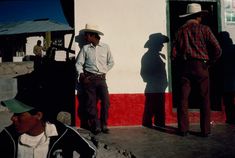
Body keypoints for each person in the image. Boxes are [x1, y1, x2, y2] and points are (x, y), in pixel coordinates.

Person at [0, 80, 96, 158]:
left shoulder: (63, 133)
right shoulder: (7, 136)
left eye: (19, 115)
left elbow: (90, 152)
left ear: (38, 115)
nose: (13, 118)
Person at [171, 3, 222, 137]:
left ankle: (183, 129)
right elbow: (218, 49)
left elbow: (174, 55)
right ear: (198, 16)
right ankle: (205, 130)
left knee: (183, 98)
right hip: (202, 66)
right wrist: (209, 63)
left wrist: (181, 65)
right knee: (204, 98)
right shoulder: (205, 29)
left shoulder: (180, 31)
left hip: (185, 66)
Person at [75, 24, 114, 135]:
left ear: (92, 35)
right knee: (91, 104)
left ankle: (104, 124)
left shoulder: (105, 47)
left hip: (101, 79)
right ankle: (96, 126)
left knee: (106, 102)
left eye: (86, 35)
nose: (85, 37)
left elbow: (111, 62)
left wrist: (103, 71)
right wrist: (82, 75)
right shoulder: (85, 48)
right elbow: (78, 63)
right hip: (89, 80)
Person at [218, 31, 235, 125]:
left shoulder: (219, 50)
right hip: (233, 77)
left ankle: (231, 119)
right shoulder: (234, 47)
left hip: (226, 79)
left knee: (228, 102)